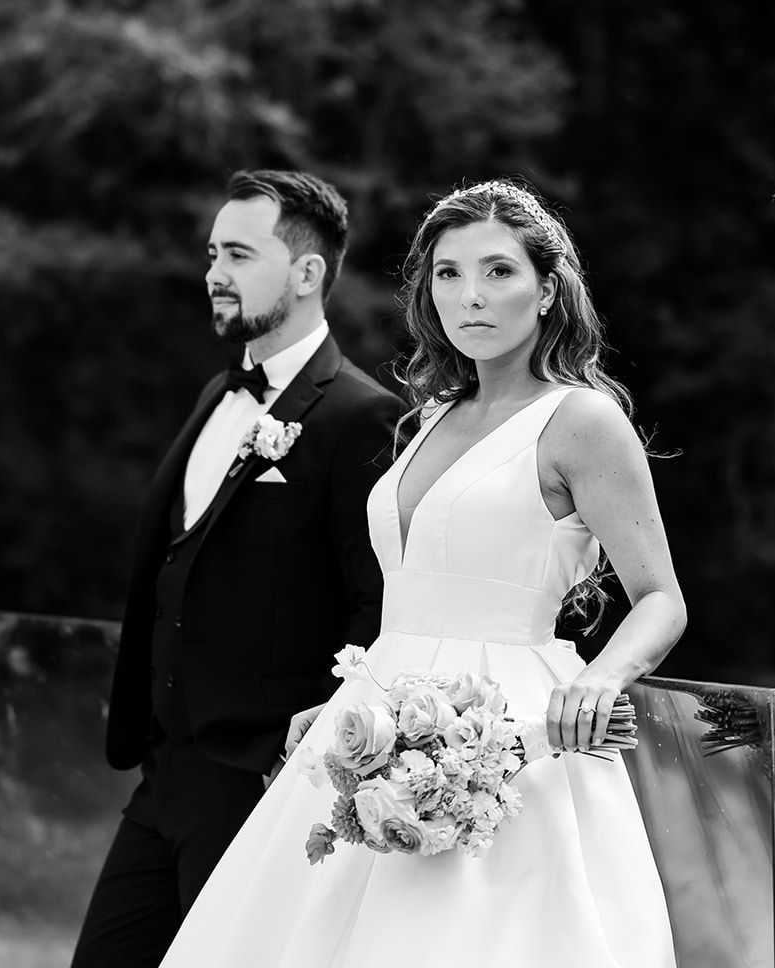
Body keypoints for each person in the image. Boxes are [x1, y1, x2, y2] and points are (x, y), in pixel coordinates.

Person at [157, 179, 687, 966]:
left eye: (498, 272)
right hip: (373, 728)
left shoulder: (580, 420)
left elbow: (660, 598)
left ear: (548, 290)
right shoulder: (434, 411)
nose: (469, 295)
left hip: (515, 740)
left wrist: (601, 680)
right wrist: (341, 707)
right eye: (448, 272)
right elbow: (409, 602)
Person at [71, 170, 404, 968]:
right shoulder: (213, 398)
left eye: (239, 254)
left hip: (263, 784)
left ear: (307, 273)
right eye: (213, 252)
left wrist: (322, 753)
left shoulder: (361, 415)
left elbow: (377, 605)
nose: (215, 272)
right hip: (166, 774)